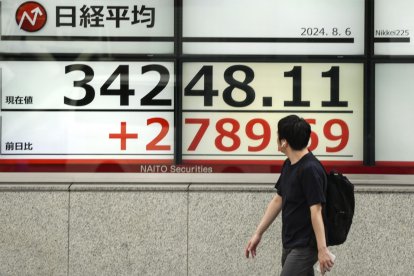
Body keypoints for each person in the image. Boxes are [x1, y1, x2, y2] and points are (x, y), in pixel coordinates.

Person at [245, 115, 335, 275]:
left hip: (306, 246)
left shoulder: (310, 169)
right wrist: (258, 233)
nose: (276, 138)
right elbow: (278, 199)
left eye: (278, 134)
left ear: (284, 141)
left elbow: (316, 211)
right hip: (290, 241)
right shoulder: (289, 164)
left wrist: (322, 250)